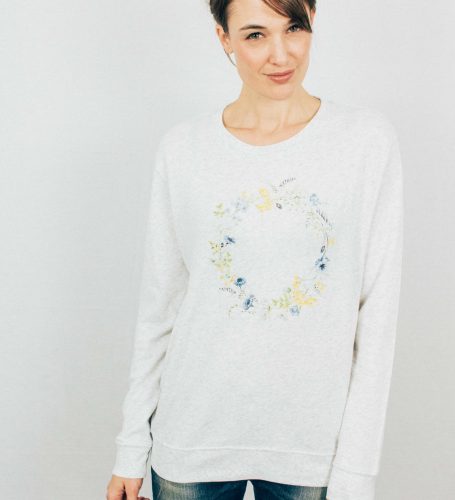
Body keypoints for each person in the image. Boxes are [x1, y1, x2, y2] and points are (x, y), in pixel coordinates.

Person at [106, 0, 404, 499]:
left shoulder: (364, 142)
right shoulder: (184, 149)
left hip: (312, 450)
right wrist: (131, 446)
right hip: (192, 436)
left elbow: (377, 320)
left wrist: (357, 472)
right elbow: (160, 309)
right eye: (254, 35)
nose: (280, 55)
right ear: (223, 37)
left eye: (294, 27)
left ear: (312, 20)